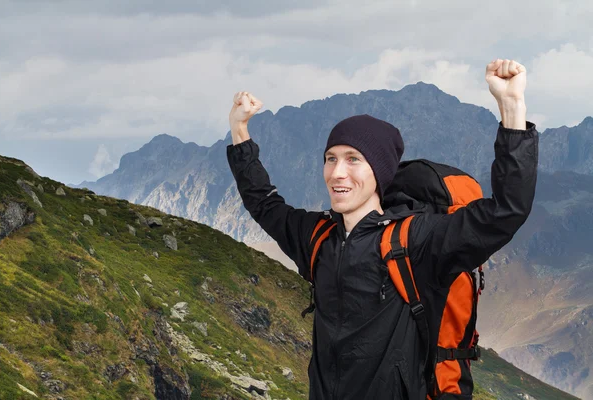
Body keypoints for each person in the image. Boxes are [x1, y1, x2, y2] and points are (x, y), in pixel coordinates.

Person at [226, 59, 538, 400]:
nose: (337, 173)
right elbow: (264, 204)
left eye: (353, 159)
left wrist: (511, 109)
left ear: (380, 172)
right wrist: (239, 131)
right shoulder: (317, 238)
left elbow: (505, 212)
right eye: (330, 158)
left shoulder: (417, 242)